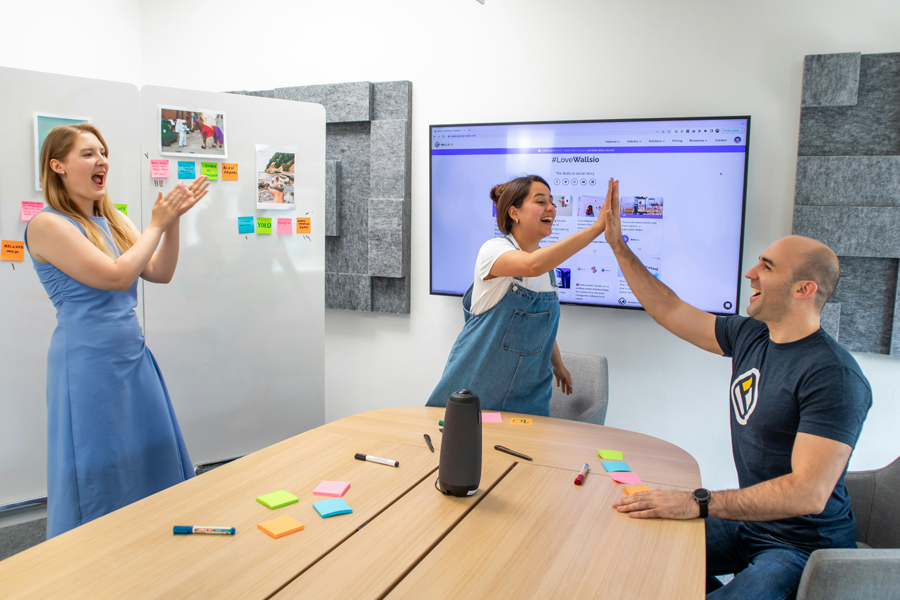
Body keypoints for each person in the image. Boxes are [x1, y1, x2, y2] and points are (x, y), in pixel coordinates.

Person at [602, 183, 872, 598]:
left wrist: (699, 501)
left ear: (804, 289)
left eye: (767, 266)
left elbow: (809, 492)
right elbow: (669, 308)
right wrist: (619, 247)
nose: (751, 273)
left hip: (803, 547)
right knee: (639, 550)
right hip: (750, 526)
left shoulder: (833, 376)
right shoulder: (752, 336)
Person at [25, 123, 210, 538]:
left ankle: (148, 543)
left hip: (132, 355)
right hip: (86, 363)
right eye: (88, 153)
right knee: (98, 460)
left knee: (149, 454)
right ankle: (94, 554)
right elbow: (113, 276)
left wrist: (173, 221)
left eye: (103, 152)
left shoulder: (114, 220)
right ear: (57, 166)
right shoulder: (47, 225)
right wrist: (156, 226)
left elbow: (159, 273)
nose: (101, 160)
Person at [426, 175, 616, 416]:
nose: (551, 208)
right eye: (540, 201)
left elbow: (536, 323)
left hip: (529, 397)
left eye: (552, 202)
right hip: (478, 392)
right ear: (514, 213)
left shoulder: (548, 270)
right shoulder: (494, 250)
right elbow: (530, 265)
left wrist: (557, 364)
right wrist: (596, 228)